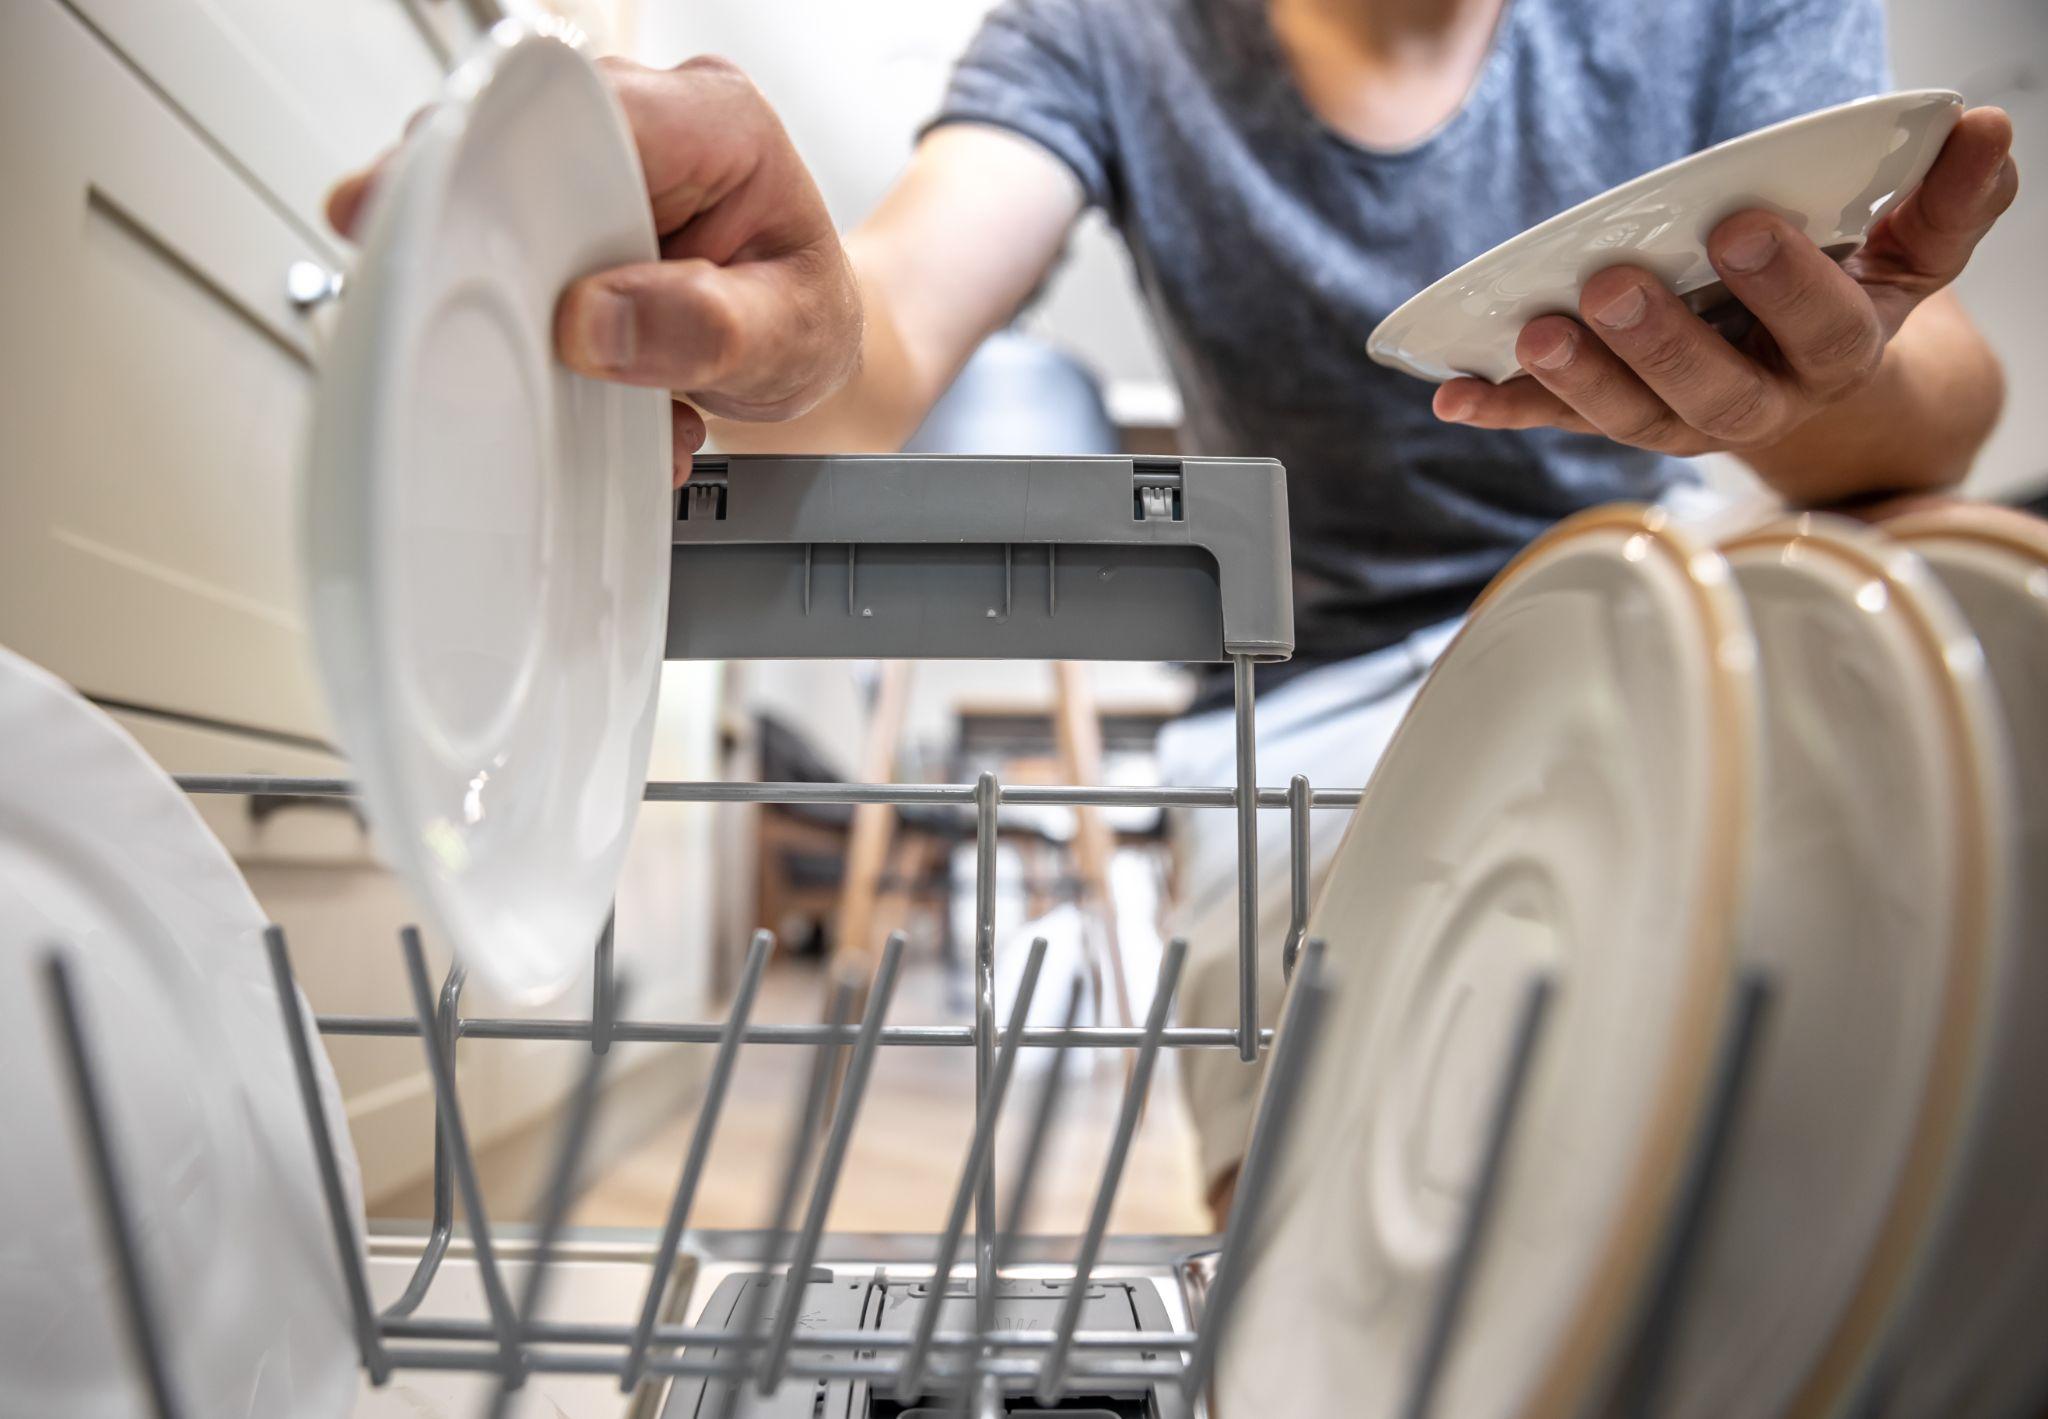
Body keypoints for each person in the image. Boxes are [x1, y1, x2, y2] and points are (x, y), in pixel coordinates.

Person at [330, 0, 2018, 1222]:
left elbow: (1939, 413)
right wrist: (801, 315)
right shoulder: (1106, 31)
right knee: (1336, 1199)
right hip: (1303, 692)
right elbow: (889, 329)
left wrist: (1808, 382)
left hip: (1658, 609)